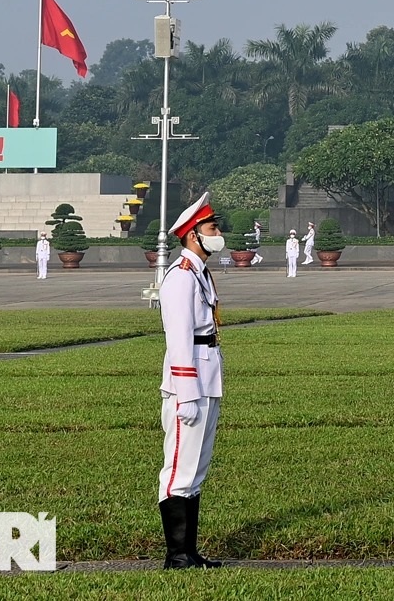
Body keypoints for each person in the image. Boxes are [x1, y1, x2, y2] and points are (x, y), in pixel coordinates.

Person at [157, 192, 226, 569]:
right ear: (192, 235)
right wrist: (186, 396)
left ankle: (189, 551)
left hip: (207, 380)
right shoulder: (180, 279)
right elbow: (179, 340)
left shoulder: (200, 274)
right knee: (180, 470)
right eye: (212, 228)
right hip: (190, 385)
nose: (218, 233)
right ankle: (177, 554)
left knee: (196, 469)